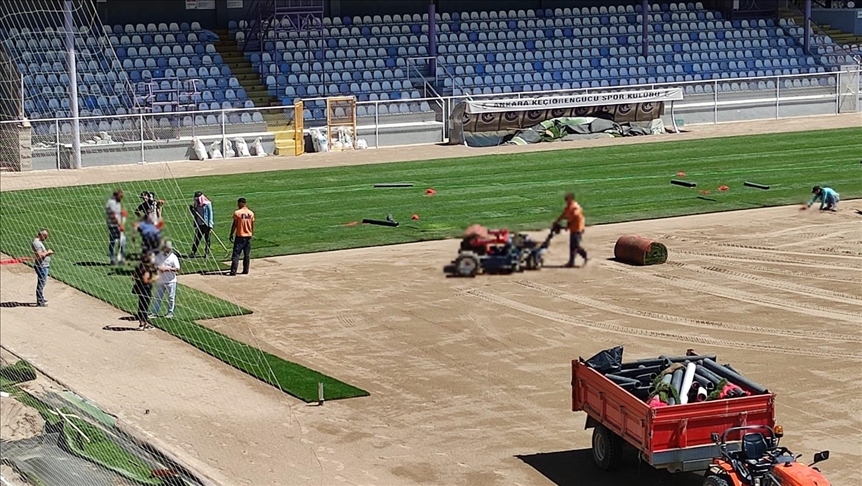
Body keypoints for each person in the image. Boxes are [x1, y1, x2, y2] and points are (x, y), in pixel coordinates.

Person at [552, 193, 589, 268]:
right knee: (572, 246)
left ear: (571, 199)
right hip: (573, 229)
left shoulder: (575, 207)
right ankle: (571, 262)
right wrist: (556, 221)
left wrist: (568, 225)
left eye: (567, 199)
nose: (565, 200)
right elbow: (563, 215)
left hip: (578, 229)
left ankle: (584, 255)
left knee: (575, 246)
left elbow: (576, 217)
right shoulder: (568, 207)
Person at [150, 241, 180, 319]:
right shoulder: (159, 256)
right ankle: (154, 313)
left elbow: (177, 268)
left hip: (171, 281)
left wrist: (167, 269)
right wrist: (158, 268)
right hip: (160, 280)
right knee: (158, 297)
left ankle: (170, 312)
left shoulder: (173, 257)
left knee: (171, 297)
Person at [228, 197, 255, 276]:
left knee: (236, 254)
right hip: (248, 236)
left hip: (240, 236)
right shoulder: (251, 213)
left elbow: (234, 224)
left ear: (241, 203)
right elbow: (252, 224)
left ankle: (233, 271)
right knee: (247, 254)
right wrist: (251, 233)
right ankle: (246, 270)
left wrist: (231, 233)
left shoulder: (237, 213)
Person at [132, 253, 157, 330]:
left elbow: (133, 277)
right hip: (146, 289)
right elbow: (146, 280)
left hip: (140, 288)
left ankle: (142, 324)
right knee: (145, 306)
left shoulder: (138, 267)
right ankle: (144, 324)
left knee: (141, 305)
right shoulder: (147, 269)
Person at [31, 229, 53, 307]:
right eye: (45, 236)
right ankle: (40, 301)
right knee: (41, 284)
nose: (46, 238)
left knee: (42, 283)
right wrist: (48, 252)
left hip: (43, 266)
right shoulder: (36, 243)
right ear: (42, 235)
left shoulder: (38, 242)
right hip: (41, 266)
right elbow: (39, 255)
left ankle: (41, 298)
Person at [189, 191, 214, 258]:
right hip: (199, 225)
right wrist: (192, 210)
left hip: (206, 225)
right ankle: (193, 252)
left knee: (207, 240)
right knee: (196, 239)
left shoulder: (207, 204)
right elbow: (195, 214)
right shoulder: (196, 204)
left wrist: (210, 226)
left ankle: (206, 253)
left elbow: (210, 215)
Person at [105, 189, 125, 265]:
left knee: (115, 241)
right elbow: (113, 215)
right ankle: (117, 259)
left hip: (115, 224)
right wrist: (120, 225)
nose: (121, 197)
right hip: (114, 225)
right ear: (116, 195)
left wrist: (122, 214)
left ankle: (115, 259)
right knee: (120, 241)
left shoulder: (117, 202)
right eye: (120, 196)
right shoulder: (112, 203)